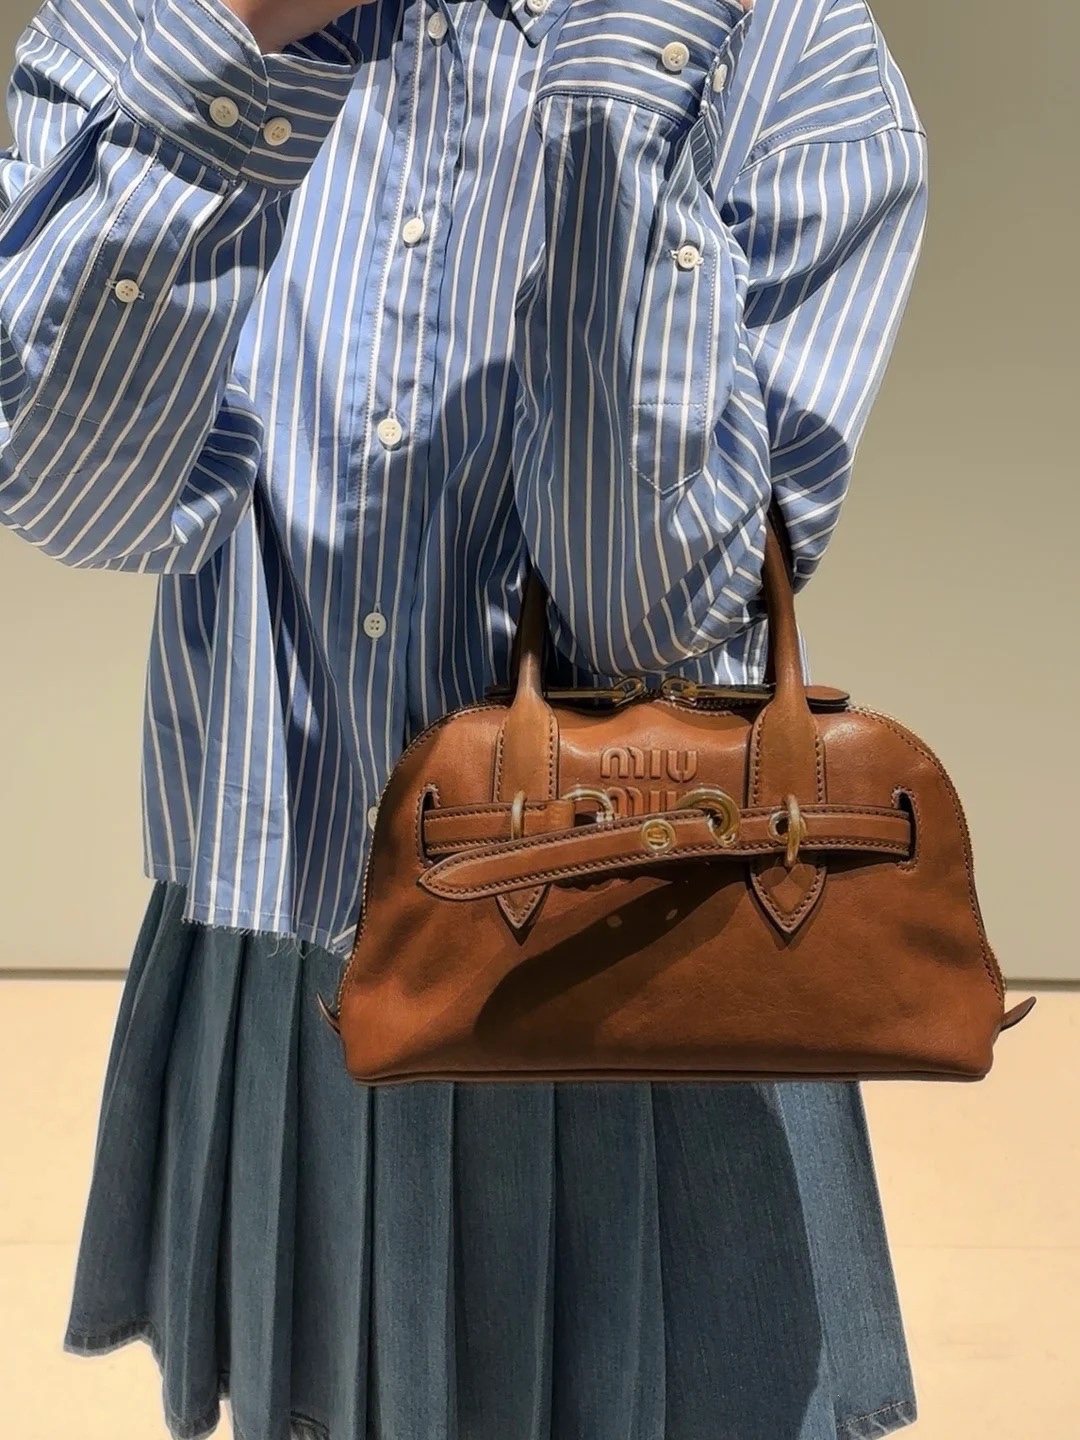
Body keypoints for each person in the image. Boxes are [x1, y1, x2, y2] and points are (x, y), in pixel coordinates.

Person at [0, 0, 929, 1435]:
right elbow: (77, 494)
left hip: (628, 976)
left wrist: (613, 122)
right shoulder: (160, 17)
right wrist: (240, 39)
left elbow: (650, 616)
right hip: (280, 939)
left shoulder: (777, 43)